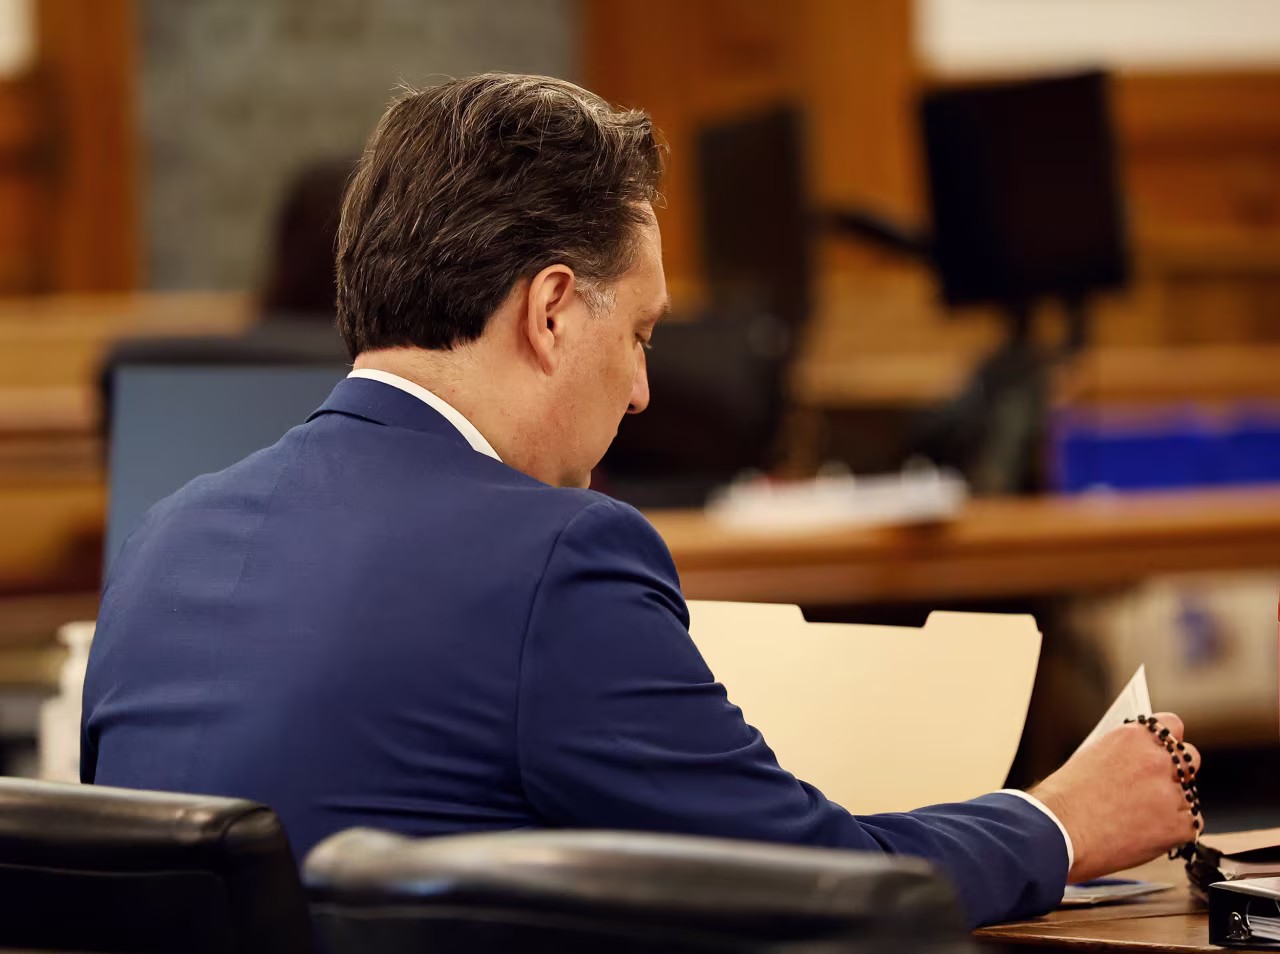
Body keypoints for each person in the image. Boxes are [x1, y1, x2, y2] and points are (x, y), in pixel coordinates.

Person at [81, 73, 1200, 928]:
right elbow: (817, 889)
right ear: (553, 311)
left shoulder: (163, 541)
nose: (644, 388)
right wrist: (1061, 821)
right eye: (641, 332)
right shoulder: (553, 557)